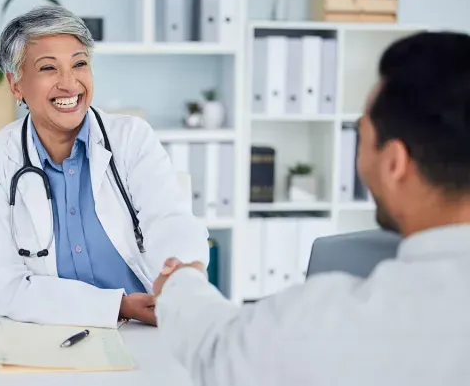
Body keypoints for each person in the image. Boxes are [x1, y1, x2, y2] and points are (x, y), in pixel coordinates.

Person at [153, 31, 470, 385]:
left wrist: (180, 282)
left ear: (395, 163)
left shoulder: (336, 324)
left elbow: (219, 351)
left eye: (361, 136)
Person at [0, 5, 209, 329]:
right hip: (49, 332)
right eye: (48, 68)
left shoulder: (131, 137)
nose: (70, 84)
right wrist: (118, 306)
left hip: (148, 327)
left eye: (79, 64)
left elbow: (169, 218)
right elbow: (4, 284)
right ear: (16, 85)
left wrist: (181, 269)